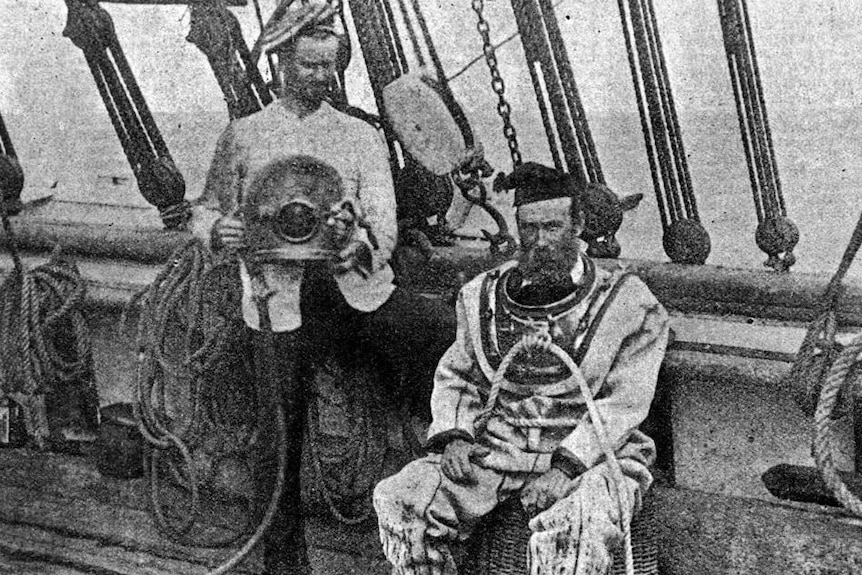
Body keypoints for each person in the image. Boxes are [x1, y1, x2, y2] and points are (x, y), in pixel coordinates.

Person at [188, 3, 455, 574]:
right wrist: (220, 230)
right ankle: (285, 565)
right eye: (307, 66)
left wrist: (351, 234)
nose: (318, 78)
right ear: (282, 61)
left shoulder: (360, 137)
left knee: (445, 338)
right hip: (275, 302)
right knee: (276, 435)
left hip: (354, 293)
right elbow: (204, 210)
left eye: (327, 68)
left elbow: (384, 227)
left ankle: (439, 509)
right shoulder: (245, 135)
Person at [373, 162, 670, 575]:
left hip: (595, 455)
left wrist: (567, 467)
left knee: (577, 523)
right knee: (401, 498)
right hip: (501, 449)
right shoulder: (480, 296)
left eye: (553, 227)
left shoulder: (628, 303)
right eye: (529, 229)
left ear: (578, 224)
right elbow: (458, 375)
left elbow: (624, 403)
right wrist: (456, 438)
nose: (540, 242)